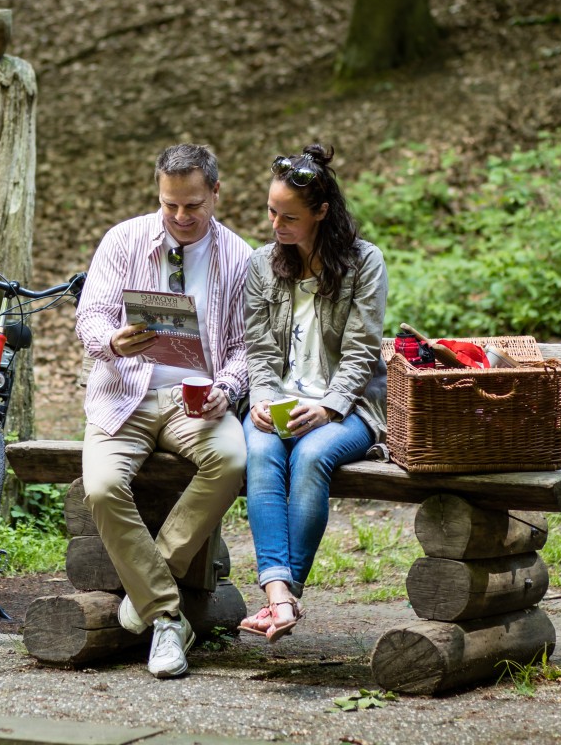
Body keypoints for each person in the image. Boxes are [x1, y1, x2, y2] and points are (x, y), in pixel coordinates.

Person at [75, 143, 252, 678]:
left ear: (216, 193)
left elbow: (246, 347)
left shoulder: (240, 258)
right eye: (169, 204)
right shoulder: (123, 239)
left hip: (193, 400)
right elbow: (90, 317)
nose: (180, 216)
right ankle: (168, 617)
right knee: (101, 486)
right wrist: (113, 341)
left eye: (192, 205)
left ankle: (148, 590)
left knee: (232, 459)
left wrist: (228, 387)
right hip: (122, 393)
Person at [239, 144, 388, 642]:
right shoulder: (262, 264)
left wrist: (327, 408)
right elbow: (259, 349)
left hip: (348, 408)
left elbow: (362, 351)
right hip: (278, 401)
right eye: (271, 212)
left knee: (310, 456)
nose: (276, 225)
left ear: (321, 212)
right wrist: (262, 399)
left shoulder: (364, 262)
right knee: (261, 453)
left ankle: (285, 592)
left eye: (289, 217)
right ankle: (279, 596)